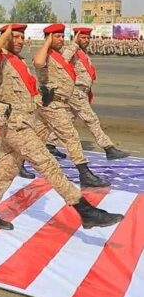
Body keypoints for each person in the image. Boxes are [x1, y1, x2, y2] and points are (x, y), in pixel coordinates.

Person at [0, 23, 122, 230]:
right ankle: (84, 210)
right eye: (14, 37)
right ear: (5, 38)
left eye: (21, 37)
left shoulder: (18, 62)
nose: (19, 41)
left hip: (22, 121)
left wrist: (41, 96)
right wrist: (6, 33)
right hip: (15, 125)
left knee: (7, 168)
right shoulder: (0, 60)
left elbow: (26, 93)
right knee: (48, 164)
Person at [32, 23, 108, 188]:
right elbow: (38, 63)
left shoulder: (58, 55)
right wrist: (47, 42)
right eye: (57, 36)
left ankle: (18, 162)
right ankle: (84, 173)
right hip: (51, 104)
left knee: (35, 138)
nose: (61, 39)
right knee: (71, 137)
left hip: (59, 102)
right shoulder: (45, 54)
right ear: (49, 38)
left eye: (61, 36)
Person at [46, 26, 129, 161]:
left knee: (67, 120)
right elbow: (63, 61)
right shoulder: (70, 49)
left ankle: (49, 144)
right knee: (91, 120)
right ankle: (108, 148)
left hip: (82, 92)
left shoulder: (82, 52)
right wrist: (73, 44)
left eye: (88, 37)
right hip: (75, 92)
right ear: (76, 36)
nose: (86, 40)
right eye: (83, 37)